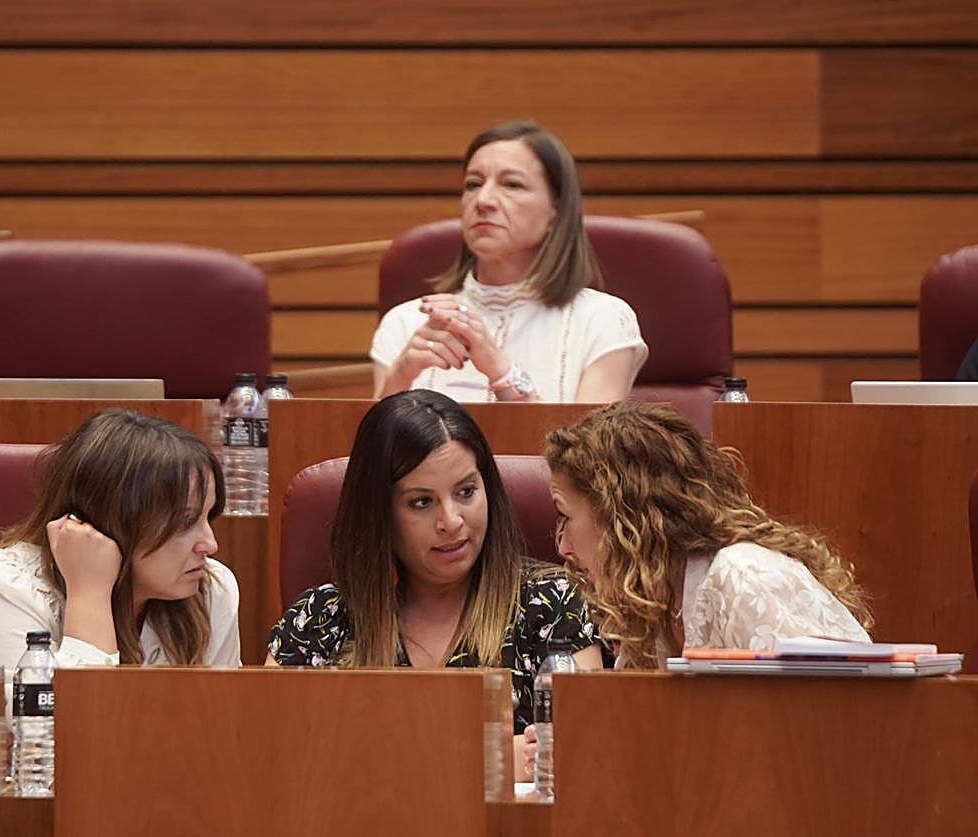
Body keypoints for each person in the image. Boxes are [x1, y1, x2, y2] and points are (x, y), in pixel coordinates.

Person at [267, 390, 602, 777]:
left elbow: (586, 753)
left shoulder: (553, 600)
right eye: (421, 503)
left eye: (465, 492)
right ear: (379, 515)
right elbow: (275, 756)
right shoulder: (321, 619)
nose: (452, 521)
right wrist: (483, 761)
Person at [544, 400, 873, 669]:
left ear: (621, 517)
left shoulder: (744, 576)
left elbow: (824, 726)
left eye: (566, 517)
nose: (563, 547)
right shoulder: (653, 596)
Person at [0, 408, 241, 669]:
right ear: (110, 522)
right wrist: (90, 595)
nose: (210, 545)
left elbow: (218, 726)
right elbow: (57, 731)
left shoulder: (211, 590)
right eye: (185, 522)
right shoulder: (3, 589)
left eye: (207, 516)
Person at [371, 120, 647, 403]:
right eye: (473, 184)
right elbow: (375, 447)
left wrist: (501, 372)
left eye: (512, 184)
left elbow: (591, 448)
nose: (483, 200)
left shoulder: (603, 320)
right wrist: (400, 377)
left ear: (556, 209)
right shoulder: (405, 323)